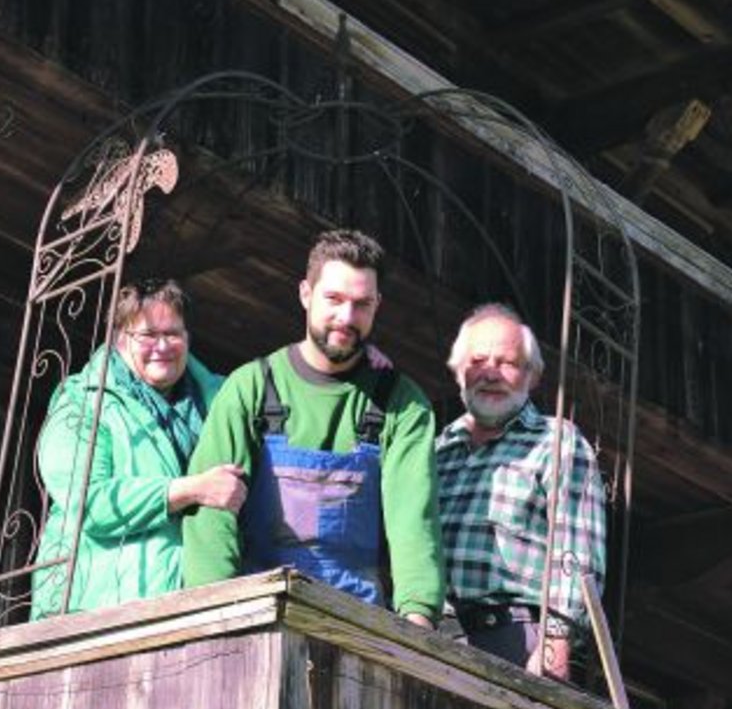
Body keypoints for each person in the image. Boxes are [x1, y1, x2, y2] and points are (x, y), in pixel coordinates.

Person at [182, 229, 445, 627]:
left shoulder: (402, 404)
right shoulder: (250, 386)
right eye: (334, 299)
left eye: (362, 304)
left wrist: (418, 616)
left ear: (378, 306)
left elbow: (414, 517)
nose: (346, 317)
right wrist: (212, 614)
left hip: (359, 624)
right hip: (255, 616)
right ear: (306, 294)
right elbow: (211, 515)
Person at [30, 280, 247, 618]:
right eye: (147, 335)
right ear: (120, 341)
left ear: (187, 339)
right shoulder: (82, 401)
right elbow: (90, 501)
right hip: (92, 610)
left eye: (173, 334)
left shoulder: (223, 401)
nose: (162, 346)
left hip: (189, 603)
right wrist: (189, 490)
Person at [436, 303, 607, 680]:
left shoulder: (557, 441)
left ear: (532, 377)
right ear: (458, 371)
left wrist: (553, 644)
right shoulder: (439, 450)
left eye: (508, 363)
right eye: (478, 360)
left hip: (514, 640)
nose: (491, 373)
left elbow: (576, 554)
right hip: (437, 638)